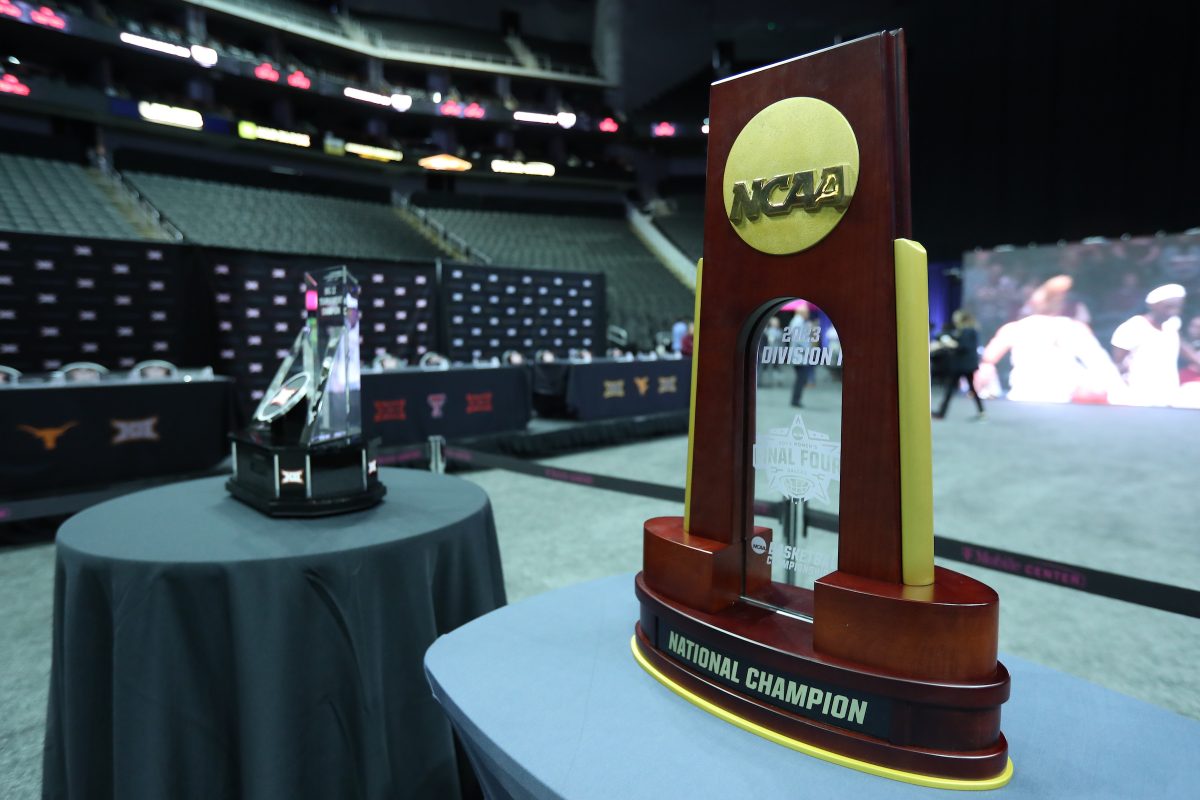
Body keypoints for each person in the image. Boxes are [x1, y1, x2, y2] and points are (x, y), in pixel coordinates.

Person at [977, 275, 1125, 404]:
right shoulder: (1074, 328)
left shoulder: (1014, 328)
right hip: (1053, 403)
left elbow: (987, 361)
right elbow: (1104, 367)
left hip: (1032, 401)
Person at [1110, 284, 1200, 407]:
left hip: (1169, 394)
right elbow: (1117, 363)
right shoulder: (1133, 327)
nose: (1174, 311)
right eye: (1169, 307)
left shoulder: (1172, 324)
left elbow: (1180, 346)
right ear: (1153, 305)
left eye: (1178, 307)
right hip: (1139, 397)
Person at [932, 310, 985, 419]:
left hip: (963, 366)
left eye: (956, 317)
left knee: (952, 389)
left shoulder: (968, 331)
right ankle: (981, 412)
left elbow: (963, 347)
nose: (954, 319)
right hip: (964, 365)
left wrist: (950, 344)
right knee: (967, 389)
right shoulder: (964, 330)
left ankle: (941, 413)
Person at [787, 308, 815, 407]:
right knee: (801, 378)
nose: (808, 314)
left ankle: (796, 399)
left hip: (799, 355)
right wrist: (807, 349)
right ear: (802, 312)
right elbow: (800, 339)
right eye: (807, 312)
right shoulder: (798, 322)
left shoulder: (800, 322)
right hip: (799, 355)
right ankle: (795, 400)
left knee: (801, 378)